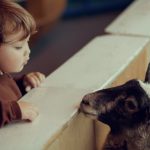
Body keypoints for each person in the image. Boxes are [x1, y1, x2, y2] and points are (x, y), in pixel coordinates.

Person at [0, 0, 46, 127]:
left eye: (28, 42)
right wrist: (13, 110)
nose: (28, 51)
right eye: (19, 47)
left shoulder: (3, 75)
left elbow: (5, 92)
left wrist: (22, 84)